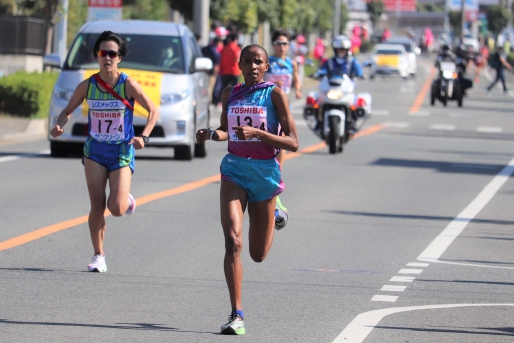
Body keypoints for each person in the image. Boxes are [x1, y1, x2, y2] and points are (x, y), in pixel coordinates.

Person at [195, 44, 299, 335]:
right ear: (239, 65)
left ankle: (277, 205)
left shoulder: (275, 94)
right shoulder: (231, 94)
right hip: (234, 169)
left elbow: (293, 142)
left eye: (259, 62)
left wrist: (259, 133)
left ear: (266, 66)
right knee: (232, 241)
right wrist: (213, 134)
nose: (253, 66)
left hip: (265, 173)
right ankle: (236, 314)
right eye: (248, 61)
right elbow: (227, 130)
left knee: (257, 254)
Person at [49, 31, 159, 272]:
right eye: (102, 53)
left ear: (119, 58)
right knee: (97, 206)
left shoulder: (127, 83)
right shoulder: (87, 85)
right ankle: (99, 255)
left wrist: (144, 136)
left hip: (121, 151)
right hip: (95, 151)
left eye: (112, 54)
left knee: (116, 209)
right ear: (97, 56)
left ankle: (126, 199)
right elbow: (66, 111)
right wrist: (60, 125)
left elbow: (152, 110)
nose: (107, 58)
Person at [315, 36, 363, 133]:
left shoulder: (351, 61)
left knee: (356, 104)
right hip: (332, 87)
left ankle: (353, 122)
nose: (341, 51)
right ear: (335, 50)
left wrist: (360, 74)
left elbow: (358, 70)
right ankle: (319, 123)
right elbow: (323, 70)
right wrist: (318, 73)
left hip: (346, 89)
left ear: (347, 50)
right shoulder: (330, 62)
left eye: (343, 49)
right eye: (339, 49)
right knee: (317, 102)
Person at [219, 33, 242, 101]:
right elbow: (237, 59)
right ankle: (234, 101)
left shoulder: (225, 48)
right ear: (236, 39)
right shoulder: (236, 48)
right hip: (234, 71)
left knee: (224, 88)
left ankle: (221, 101)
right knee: (235, 88)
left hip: (225, 71)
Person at [201, 37, 222, 106]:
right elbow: (216, 65)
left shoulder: (204, 49)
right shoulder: (215, 51)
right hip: (211, 74)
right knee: (210, 90)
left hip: (201, 72)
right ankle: (208, 105)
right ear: (218, 43)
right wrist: (215, 75)